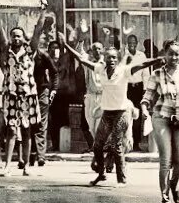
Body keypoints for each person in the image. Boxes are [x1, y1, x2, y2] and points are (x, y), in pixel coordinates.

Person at [61, 38, 157, 186]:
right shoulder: (101, 69)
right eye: (108, 57)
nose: (111, 59)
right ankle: (101, 174)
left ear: (118, 60)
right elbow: (81, 59)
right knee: (97, 146)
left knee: (116, 145)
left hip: (122, 112)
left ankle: (121, 179)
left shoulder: (124, 71)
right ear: (104, 59)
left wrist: (159, 59)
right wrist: (66, 45)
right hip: (107, 112)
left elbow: (142, 64)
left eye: (114, 57)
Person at [0, 1, 46, 177]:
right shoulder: (6, 52)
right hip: (11, 95)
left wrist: (43, 11)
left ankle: (26, 166)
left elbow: (38, 30)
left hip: (29, 95)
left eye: (19, 36)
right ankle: (8, 165)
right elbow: (0, 31)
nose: (16, 38)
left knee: (27, 130)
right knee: (12, 130)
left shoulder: (30, 51)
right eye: (13, 36)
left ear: (24, 39)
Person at [140, 41, 179, 203]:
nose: (174, 57)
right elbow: (147, 97)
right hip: (161, 117)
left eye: (177, 54)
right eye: (170, 53)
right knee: (166, 160)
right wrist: (144, 109)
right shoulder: (157, 74)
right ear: (165, 54)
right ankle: (165, 200)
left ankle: (174, 184)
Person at [30, 22, 59, 167]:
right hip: (27, 92)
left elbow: (54, 73)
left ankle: (41, 156)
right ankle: (31, 153)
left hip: (42, 92)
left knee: (41, 123)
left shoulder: (44, 56)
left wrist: (53, 90)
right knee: (29, 123)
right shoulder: (24, 55)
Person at [122, 34, 148, 152]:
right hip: (127, 88)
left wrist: (145, 90)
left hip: (138, 88)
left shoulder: (141, 55)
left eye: (134, 42)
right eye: (129, 42)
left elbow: (145, 73)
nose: (132, 44)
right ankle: (126, 143)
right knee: (126, 115)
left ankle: (136, 143)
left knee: (137, 116)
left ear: (137, 43)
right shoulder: (123, 56)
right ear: (127, 43)